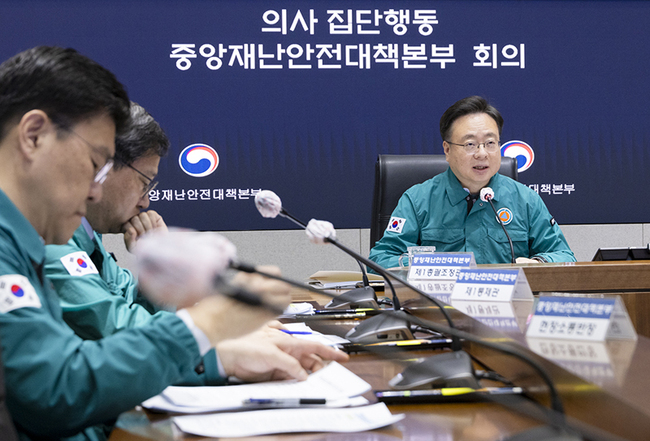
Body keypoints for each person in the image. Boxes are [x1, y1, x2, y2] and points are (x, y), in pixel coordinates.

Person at [0, 46, 341, 441]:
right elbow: (57, 390)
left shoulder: (24, 239)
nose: (95, 192)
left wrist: (219, 357)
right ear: (34, 135)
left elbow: (73, 364)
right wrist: (207, 326)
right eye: (95, 165)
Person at [44, 101, 347, 386]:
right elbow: (118, 327)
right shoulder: (54, 239)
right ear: (102, 168)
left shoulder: (88, 236)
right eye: (144, 183)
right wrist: (218, 335)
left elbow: (133, 308)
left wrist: (161, 270)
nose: (146, 202)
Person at [369, 96, 576, 268]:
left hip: (507, 301)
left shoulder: (525, 200)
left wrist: (539, 263)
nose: (482, 153)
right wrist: (428, 264)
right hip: (439, 303)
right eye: (470, 144)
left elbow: (564, 255)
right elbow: (380, 260)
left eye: (490, 143)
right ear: (447, 150)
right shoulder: (417, 200)